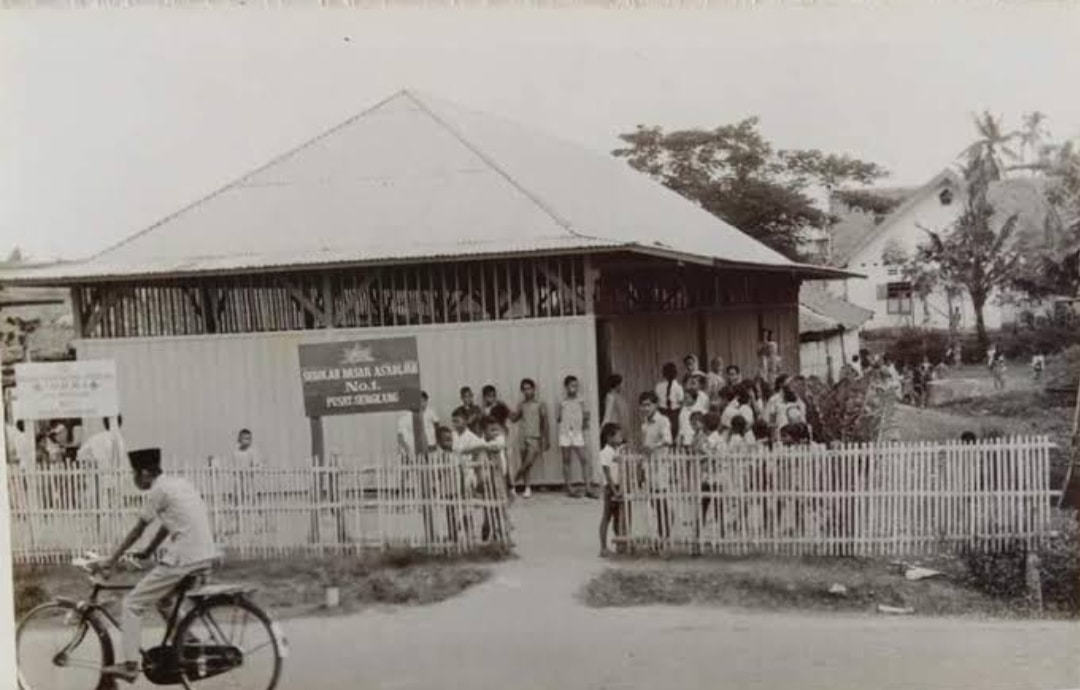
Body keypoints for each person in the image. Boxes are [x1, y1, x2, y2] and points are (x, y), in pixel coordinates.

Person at [93, 448, 219, 684]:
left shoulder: (157, 491)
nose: (133, 479)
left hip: (185, 557)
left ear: (144, 473)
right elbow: (168, 523)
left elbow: (138, 529)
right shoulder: (178, 484)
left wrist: (111, 560)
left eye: (134, 474)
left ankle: (130, 665)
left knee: (132, 603)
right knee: (164, 601)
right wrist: (149, 550)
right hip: (204, 553)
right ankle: (188, 642)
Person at [639, 391, 673, 542]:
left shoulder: (663, 421)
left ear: (656, 405)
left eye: (648, 405)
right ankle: (664, 526)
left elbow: (668, 440)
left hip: (660, 464)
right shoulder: (645, 423)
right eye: (643, 405)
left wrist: (654, 447)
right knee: (652, 498)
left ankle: (664, 533)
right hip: (649, 464)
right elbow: (645, 444)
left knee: (660, 498)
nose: (645, 408)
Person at [557, 375, 597, 498]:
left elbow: (586, 416)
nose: (574, 388)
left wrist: (583, 428)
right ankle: (569, 488)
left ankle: (588, 488)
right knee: (566, 460)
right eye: (572, 386)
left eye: (576, 386)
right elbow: (559, 418)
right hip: (565, 433)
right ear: (566, 387)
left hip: (577, 433)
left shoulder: (581, 400)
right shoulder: (562, 402)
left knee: (584, 459)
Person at [509, 378, 549, 498]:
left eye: (529, 388)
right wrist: (505, 409)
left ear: (533, 389)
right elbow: (514, 418)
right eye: (524, 389)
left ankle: (512, 481)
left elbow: (545, 422)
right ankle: (527, 488)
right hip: (523, 436)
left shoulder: (540, 404)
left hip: (535, 437)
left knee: (528, 462)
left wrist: (546, 438)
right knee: (525, 463)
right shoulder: (521, 405)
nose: (527, 391)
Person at [597, 422, 626, 557]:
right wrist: (615, 491)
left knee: (619, 517)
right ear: (609, 437)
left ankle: (620, 544)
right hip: (610, 488)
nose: (621, 438)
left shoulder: (618, 451)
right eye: (618, 435)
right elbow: (607, 474)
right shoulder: (605, 453)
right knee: (607, 516)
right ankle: (603, 547)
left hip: (619, 487)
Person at [396, 391, 440, 459]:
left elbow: (437, 427)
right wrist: (405, 447)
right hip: (412, 448)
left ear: (427, 402)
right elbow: (400, 436)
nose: (421, 404)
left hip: (430, 445)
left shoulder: (430, 413)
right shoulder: (405, 417)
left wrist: (436, 442)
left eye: (423, 401)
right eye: (418, 401)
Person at [655, 362, 684, 438]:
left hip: (673, 413)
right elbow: (657, 401)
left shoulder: (678, 387)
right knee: (664, 432)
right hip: (664, 412)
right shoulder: (659, 387)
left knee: (672, 432)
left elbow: (681, 402)